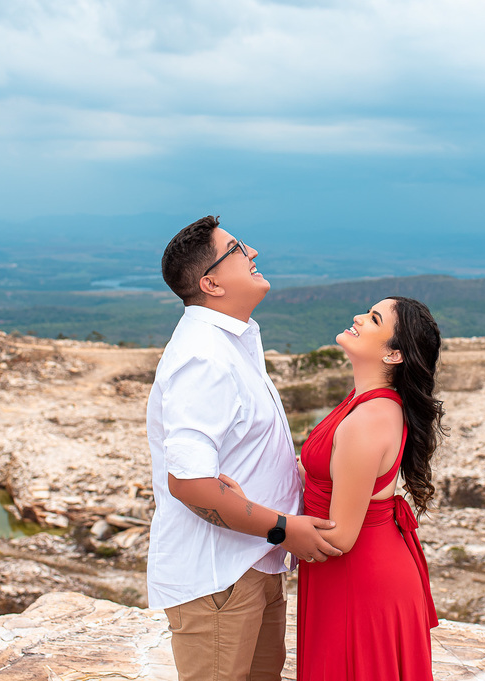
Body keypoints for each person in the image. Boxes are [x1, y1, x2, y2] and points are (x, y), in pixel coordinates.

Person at [145, 215, 341, 681]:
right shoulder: (203, 358)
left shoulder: (232, 341)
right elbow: (190, 485)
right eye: (236, 248)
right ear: (211, 282)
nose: (252, 252)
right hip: (221, 577)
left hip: (253, 563)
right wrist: (282, 528)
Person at [295, 296, 446, 680]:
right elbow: (326, 478)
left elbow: (340, 536)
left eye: (373, 318)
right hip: (354, 571)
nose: (358, 318)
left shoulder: (371, 418)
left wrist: (256, 520)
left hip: (359, 577)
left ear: (393, 355)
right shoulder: (362, 402)